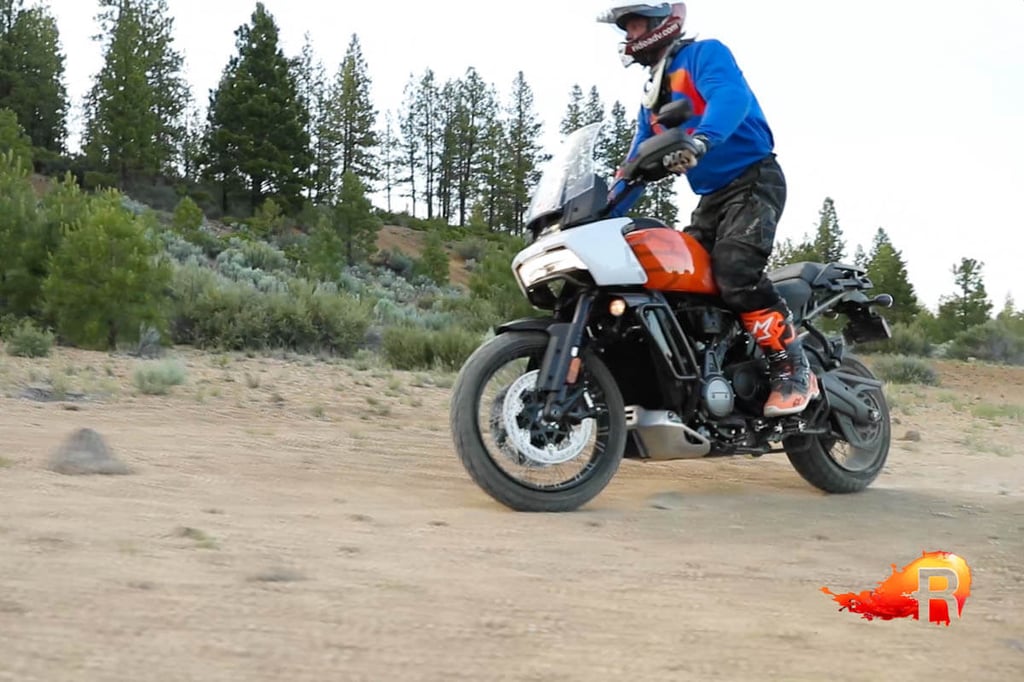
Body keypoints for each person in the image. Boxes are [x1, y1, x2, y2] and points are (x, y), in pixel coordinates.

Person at [598, 1, 820, 418]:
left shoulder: (704, 55)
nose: (628, 36)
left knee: (735, 272)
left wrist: (702, 140)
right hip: (713, 199)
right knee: (674, 282)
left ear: (664, 23)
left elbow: (730, 97)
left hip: (754, 179)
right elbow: (633, 166)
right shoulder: (652, 100)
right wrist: (598, 210)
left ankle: (793, 369)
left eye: (635, 25)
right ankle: (708, 374)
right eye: (625, 29)